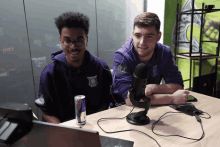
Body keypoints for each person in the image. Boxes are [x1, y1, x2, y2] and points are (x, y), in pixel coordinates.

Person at [35, 12, 112, 123]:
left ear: (87, 39)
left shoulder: (101, 68)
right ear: (61, 40)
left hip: (96, 128)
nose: (73, 46)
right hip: (62, 132)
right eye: (67, 40)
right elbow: (47, 112)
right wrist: (65, 133)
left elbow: (105, 102)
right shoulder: (49, 74)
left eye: (79, 40)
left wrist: (94, 126)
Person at [112, 12, 189, 106]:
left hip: (153, 106)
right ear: (132, 34)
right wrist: (172, 98)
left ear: (158, 36)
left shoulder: (165, 52)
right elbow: (130, 99)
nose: (142, 42)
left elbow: (178, 86)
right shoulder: (122, 56)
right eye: (138, 35)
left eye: (149, 36)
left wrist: (154, 88)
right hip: (121, 109)